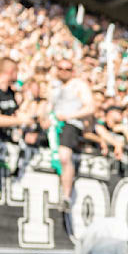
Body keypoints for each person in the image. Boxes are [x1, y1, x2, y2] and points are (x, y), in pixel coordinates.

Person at [49, 56, 95, 210]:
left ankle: (66, 196)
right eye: (60, 68)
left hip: (70, 125)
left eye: (67, 69)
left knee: (64, 156)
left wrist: (69, 116)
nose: (63, 72)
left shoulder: (78, 85)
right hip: (52, 125)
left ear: (72, 71)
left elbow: (90, 107)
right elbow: (48, 106)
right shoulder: (54, 86)